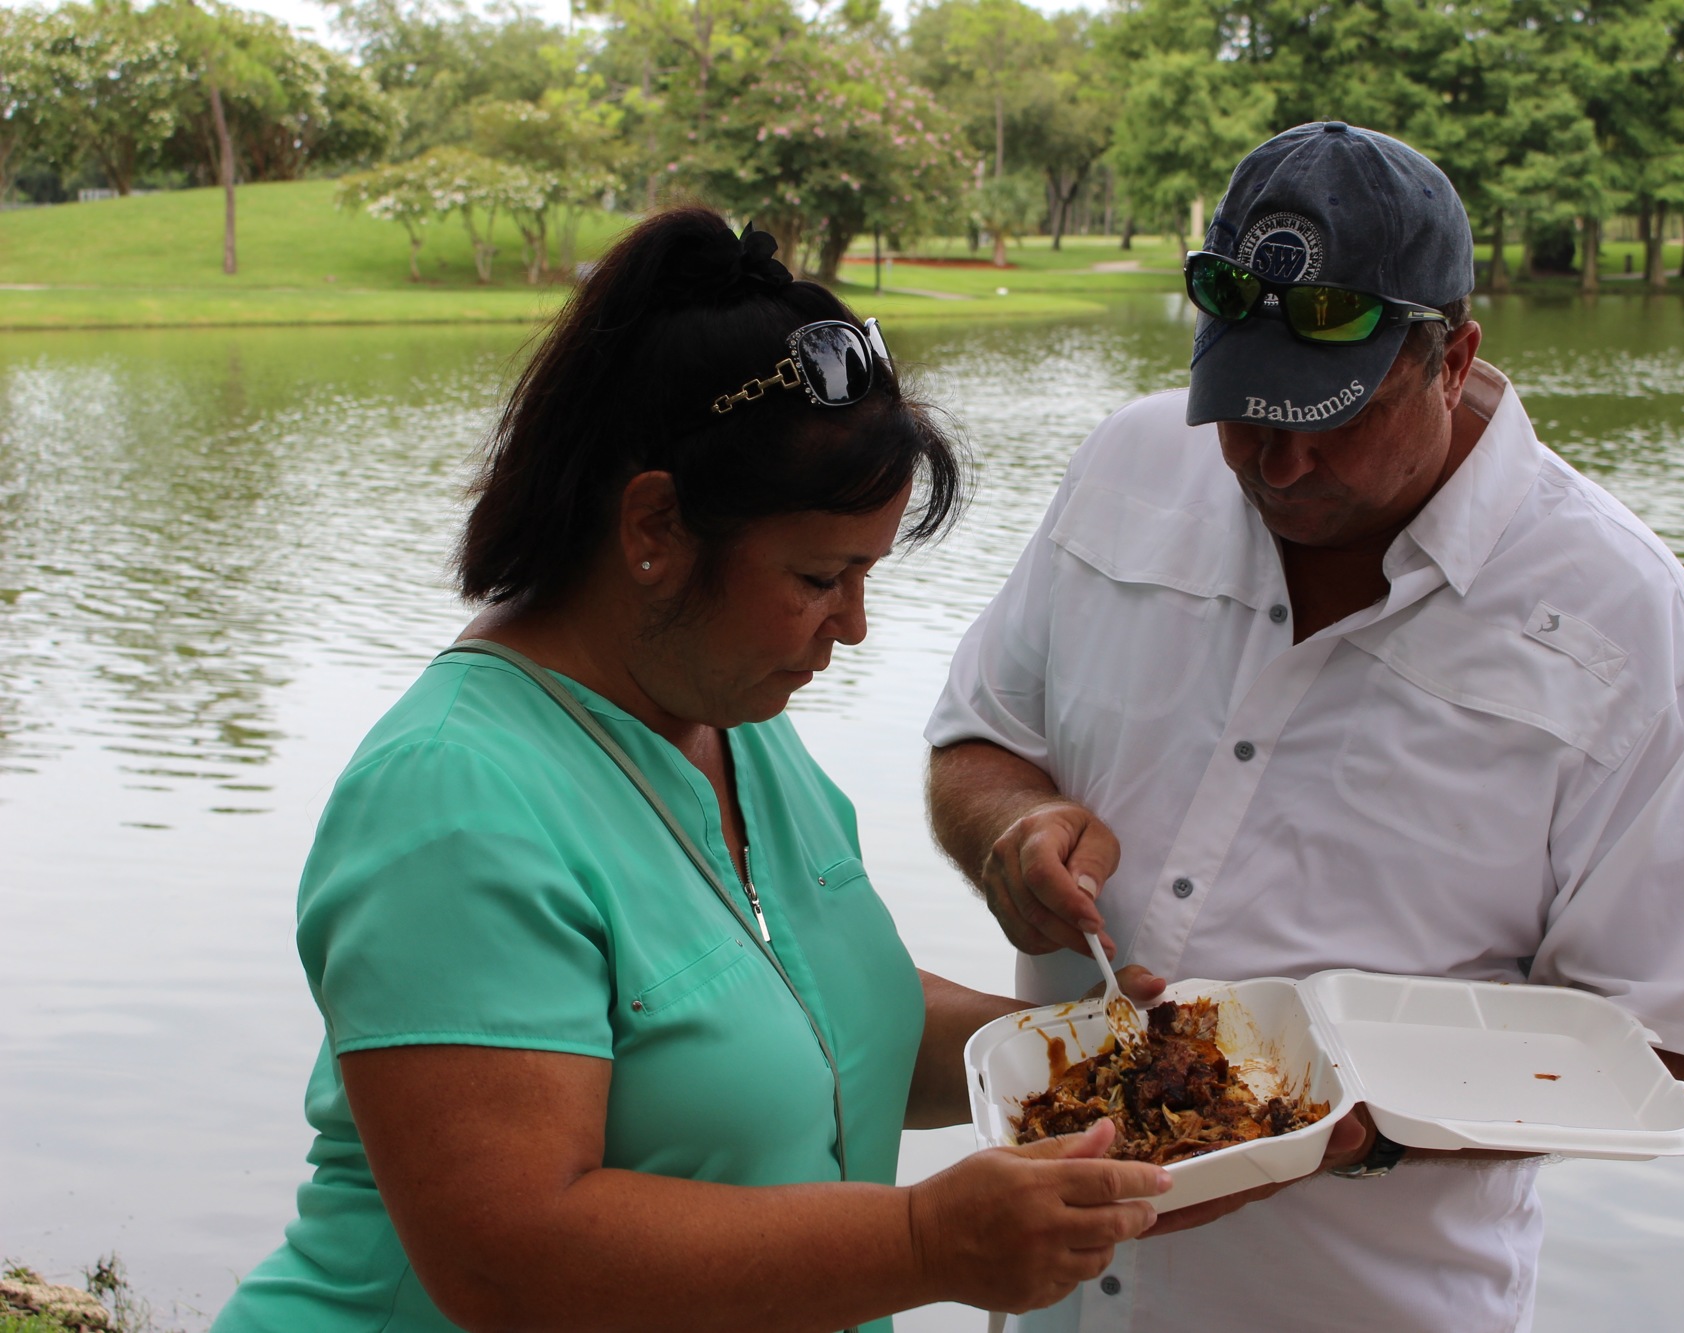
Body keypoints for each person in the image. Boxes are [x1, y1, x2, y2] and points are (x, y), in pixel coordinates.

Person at [212, 207, 1183, 1333]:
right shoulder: (452, 799)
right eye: (821, 577)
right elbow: (508, 1258)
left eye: (865, 574)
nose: (853, 626)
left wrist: (1081, 1053)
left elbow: (822, 1019)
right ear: (654, 526)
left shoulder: (734, 720)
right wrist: (925, 1241)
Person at [926, 123, 1684, 1332]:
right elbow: (974, 743)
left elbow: (1661, 1052)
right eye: (1244, 409)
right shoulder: (1125, 465)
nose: (1280, 458)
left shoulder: (1635, 638)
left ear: (1453, 354)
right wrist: (1011, 828)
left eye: (1332, 413)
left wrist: (1324, 1137)